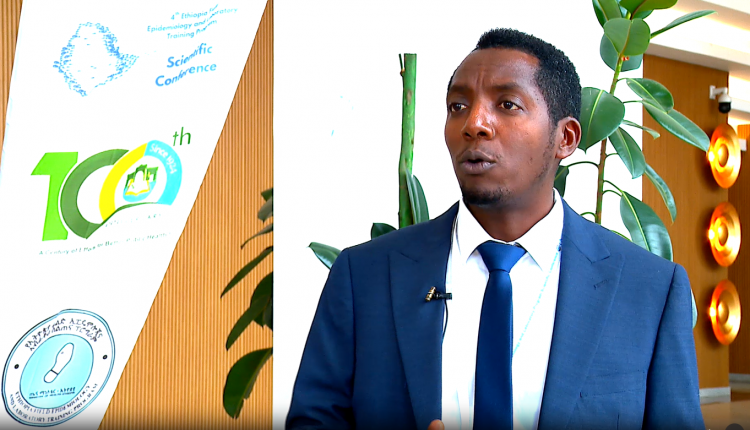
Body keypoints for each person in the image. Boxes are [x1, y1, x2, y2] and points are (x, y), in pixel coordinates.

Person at [286, 28, 704, 430]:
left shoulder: (649, 289)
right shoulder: (364, 275)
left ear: (565, 138)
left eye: (507, 104)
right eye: (458, 106)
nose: (474, 123)